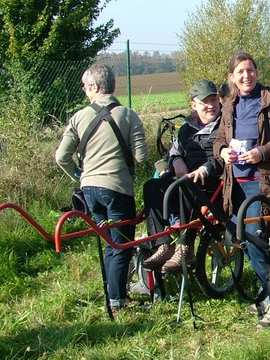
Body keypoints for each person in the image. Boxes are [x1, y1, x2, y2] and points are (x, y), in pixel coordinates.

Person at [214, 52, 270, 328]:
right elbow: (218, 140)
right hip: (234, 186)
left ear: (257, 72)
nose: (246, 76)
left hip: (262, 183)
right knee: (244, 240)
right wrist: (224, 152)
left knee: (253, 238)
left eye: (250, 70)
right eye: (240, 72)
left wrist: (261, 152)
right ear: (232, 77)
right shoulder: (229, 106)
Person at [55, 64, 149, 313]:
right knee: (121, 245)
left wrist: (79, 173)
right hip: (117, 188)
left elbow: (61, 157)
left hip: (89, 190)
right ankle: (118, 302)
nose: (85, 92)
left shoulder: (78, 117)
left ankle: (113, 296)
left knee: (109, 243)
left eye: (86, 88)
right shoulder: (128, 115)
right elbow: (141, 156)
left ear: (96, 87)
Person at [141, 79, 223, 273]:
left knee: (186, 184)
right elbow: (174, 152)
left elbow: (225, 155)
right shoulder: (185, 129)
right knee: (151, 187)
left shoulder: (225, 126)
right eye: (205, 102)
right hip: (187, 184)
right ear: (194, 105)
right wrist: (176, 160)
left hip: (213, 183)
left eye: (214, 100)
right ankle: (163, 243)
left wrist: (204, 169)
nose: (211, 106)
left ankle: (186, 247)